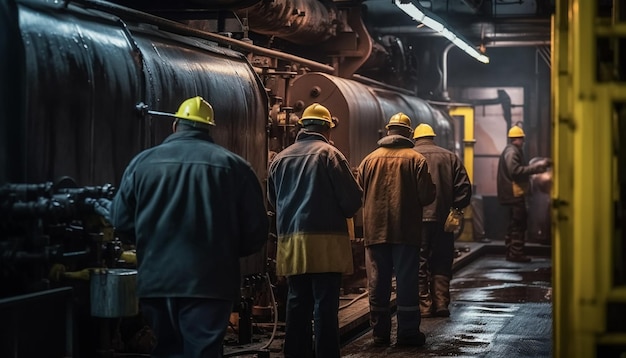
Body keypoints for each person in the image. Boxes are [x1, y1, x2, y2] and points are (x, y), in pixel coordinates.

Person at [108, 96, 269, 358]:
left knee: (167, 348)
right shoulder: (234, 167)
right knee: (203, 350)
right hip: (210, 282)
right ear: (208, 128)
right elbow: (256, 232)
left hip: (156, 280)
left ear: (175, 125)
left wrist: (151, 248)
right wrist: (225, 252)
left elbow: (121, 223)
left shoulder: (142, 163)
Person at [267, 103, 362, 358]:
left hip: (292, 243)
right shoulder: (330, 155)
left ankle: (295, 353)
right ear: (327, 129)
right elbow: (352, 201)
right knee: (325, 305)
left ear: (302, 127)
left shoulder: (280, 159)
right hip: (326, 244)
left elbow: (273, 201)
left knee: (297, 301)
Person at [357, 113, 436, 347]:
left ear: (388, 130)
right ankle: (408, 332)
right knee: (407, 283)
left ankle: (380, 333)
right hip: (406, 232)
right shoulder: (416, 160)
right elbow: (427, 195)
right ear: (408, 133)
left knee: (377, 283)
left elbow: (358, 192)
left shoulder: (368, 160)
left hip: (375, 231)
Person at [412, 123, 472, 318]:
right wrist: (455, 211)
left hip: (417, 220)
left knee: (419, 261)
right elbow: (464, 188)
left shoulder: (410, 156)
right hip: (444, 219)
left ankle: (424, 305)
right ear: (432, 137)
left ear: (416, 137)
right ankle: (441, 303)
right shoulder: (450, 157)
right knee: (442, 259)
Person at [497, 125, 549, 262]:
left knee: (514, 224)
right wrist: (537, 168)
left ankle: (511, 252)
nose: (523, 142)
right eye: (522, 139)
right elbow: (515, 171)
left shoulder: (510, 151)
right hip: (514, 194)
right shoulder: (512, 152)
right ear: (518, 139)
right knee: (519, 224)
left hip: (511, 194)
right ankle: (516, 254)